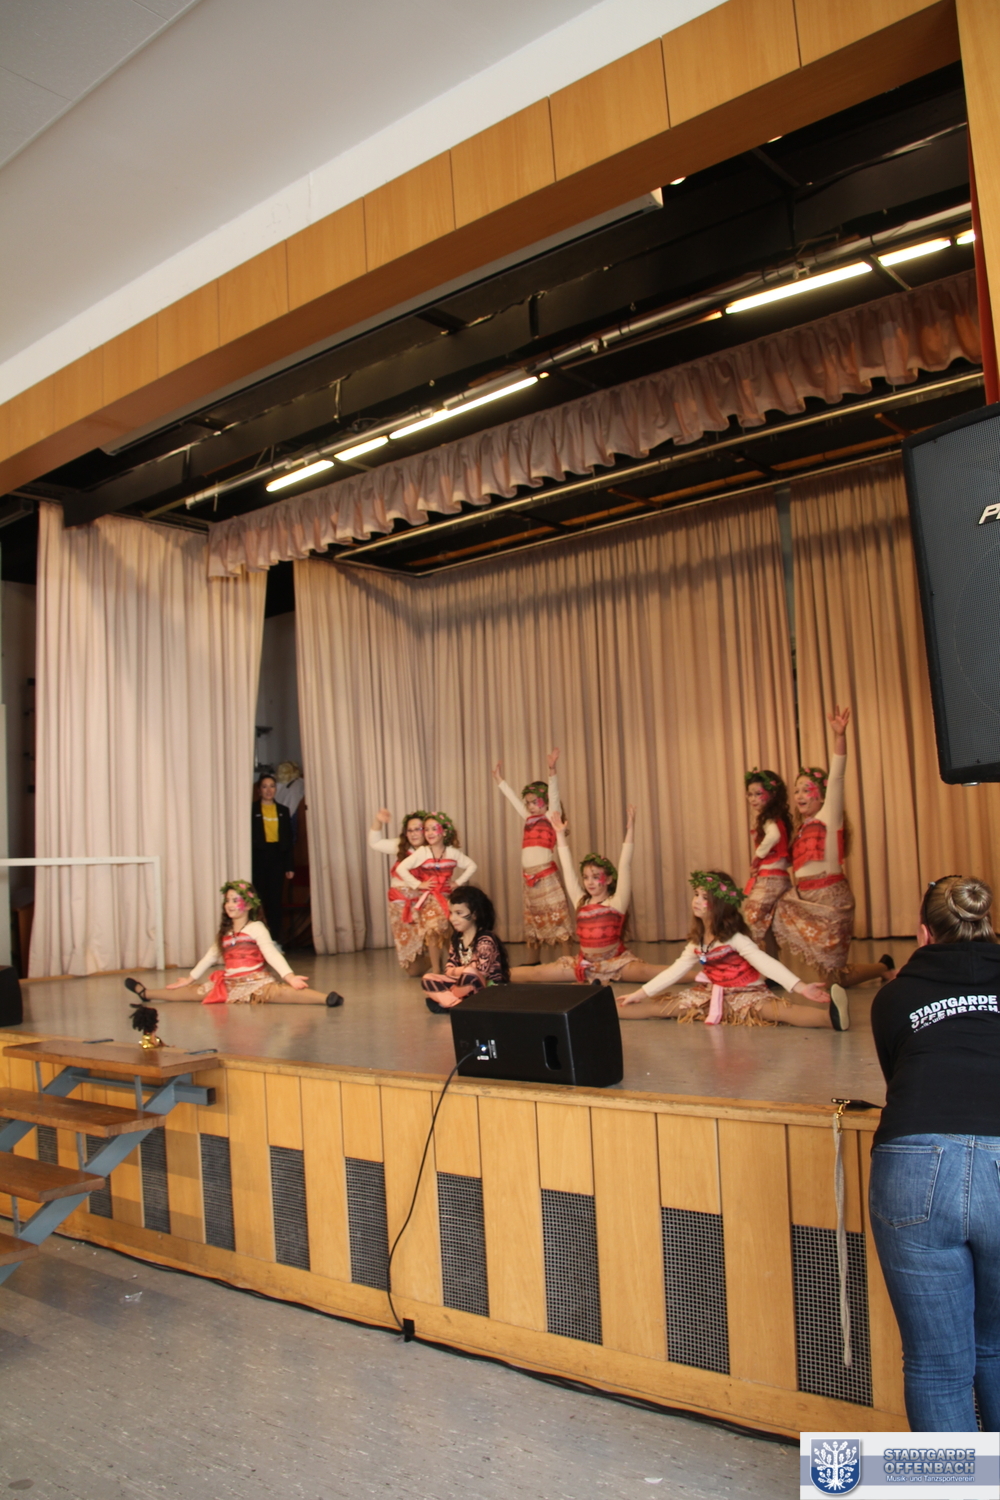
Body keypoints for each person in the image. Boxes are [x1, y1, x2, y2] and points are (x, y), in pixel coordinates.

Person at [868, 874, 1000, 1433]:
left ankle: (960, 1482)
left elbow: (896, 1075)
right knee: (996, 1347)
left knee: (937, 1366)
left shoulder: (894, 996)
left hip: (915, 1161)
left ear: (923, 933)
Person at [618, 870, 842, 1026]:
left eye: (705, 897)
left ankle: (830, 1019)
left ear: (720, 904)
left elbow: (765, 963)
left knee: (780, 1012)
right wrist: (639, 994)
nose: (697, 901)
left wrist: (801, 987)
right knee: (660, 1008)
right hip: (710, 994)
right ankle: (611, 1011)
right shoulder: (698, 941)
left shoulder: (735, 938)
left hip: (745, 993)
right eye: (696, 895)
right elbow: (675, 971)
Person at [771, 706, 894, 989]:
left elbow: (837, 775)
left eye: (806, 789)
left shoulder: (829, 815)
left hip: (830, 900)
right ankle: (768, 976)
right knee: (766, 913)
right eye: (797, 790)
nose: (799, 795)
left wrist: (840, 736)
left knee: (834, 980)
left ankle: (883, 968)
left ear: (822, 795)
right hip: (805, 899)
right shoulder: (801, 829)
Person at [509, 805, 664, 986]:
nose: (590, 882)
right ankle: (492, 974)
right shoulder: (581, 901)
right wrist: (560, 834)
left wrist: (631, 830)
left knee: (650, 972)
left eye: (596, 877)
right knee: (535, 973)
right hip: (584, 966)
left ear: (608, 880)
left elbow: (625, 864)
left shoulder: (617, 902)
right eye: (586, 877)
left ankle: (694, 975)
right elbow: (567, 868)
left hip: (616, 964)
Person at [125, 881, 342, 1005]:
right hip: (229, 984)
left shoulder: (256, 928)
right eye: (227, 900)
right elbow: (209, 957)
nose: (230, 904)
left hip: (257, 983)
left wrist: (290, 976)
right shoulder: (225, 933)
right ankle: (146, 993)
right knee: (191, 992)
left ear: (249, 905)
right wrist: (189, 978)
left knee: (282, 992)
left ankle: (325, 999)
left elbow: (272, 954)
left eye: (235, 900)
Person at [493, 748, 573, 955]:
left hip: (545, 874)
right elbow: (513, 799)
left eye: (534, 802)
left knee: (556, 912)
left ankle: (567, 957)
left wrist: (552, 770)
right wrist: (499, 780)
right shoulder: (528, 818)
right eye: (527, 802)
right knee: (533, 916)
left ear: (545, 801)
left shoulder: (551, 817)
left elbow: (554, 794)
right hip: (528, 876)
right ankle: (533, 958)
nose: (530, 806)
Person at [396, 813, 477, 973]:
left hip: (448, 899)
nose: (430, 833)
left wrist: (457, 883)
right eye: (426, 829)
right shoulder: (423, 852)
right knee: (432, 932)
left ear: (444, 832)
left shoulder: (452, 852)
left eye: (434, 829)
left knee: (449, 932)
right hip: (430, 900)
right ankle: (436, 970)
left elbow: (472, 865)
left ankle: (456, 966)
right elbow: (401, 868)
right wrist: (419, 884)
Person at [421, 886, 510, 1012]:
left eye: (459, 913)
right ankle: (458, 1004)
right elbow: (448, 970)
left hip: (487, 989)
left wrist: (462, 971)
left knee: (470, 974)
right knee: (428, 978)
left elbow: (480, 972)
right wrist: (464, 970)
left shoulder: (485, 939)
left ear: (474, 914)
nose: (453, 918)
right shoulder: (457, 939)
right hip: (463, 986)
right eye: (451, 913)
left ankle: (449, 1001)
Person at [368, 807, 430, 973]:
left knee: (434, 936)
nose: (413, 834)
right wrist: (378, 821)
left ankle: (441, 963)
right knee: (413, 970)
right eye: (410, 830)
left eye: (418, 829)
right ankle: (430, 960)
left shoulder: (434, 848)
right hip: (400, 905)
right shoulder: (401, 846)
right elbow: (375, 843)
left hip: (424, 903)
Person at [742, 767, 792, 952]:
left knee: (751, 918)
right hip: (777, 876)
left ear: (772, 794)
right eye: (750, 794)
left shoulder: (769, 819)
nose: (753, 799)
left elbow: (774, 835)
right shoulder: (777, 818)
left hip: (771, 878)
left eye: (758, 794)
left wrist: (758, 855)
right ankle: (771, 963)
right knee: (766, 925)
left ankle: (756, 962)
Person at [251, 773, 294, 942]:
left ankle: (275, 940)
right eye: (264, 786)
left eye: (272, 786)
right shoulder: (252, 809)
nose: (269, 790)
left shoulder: (283, 810)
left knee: (275, 901)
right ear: (259, 790)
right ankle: (258, 940)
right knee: (258, 901)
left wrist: (289, 866)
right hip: (259, 858)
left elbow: (288, 840)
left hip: (277, 858)